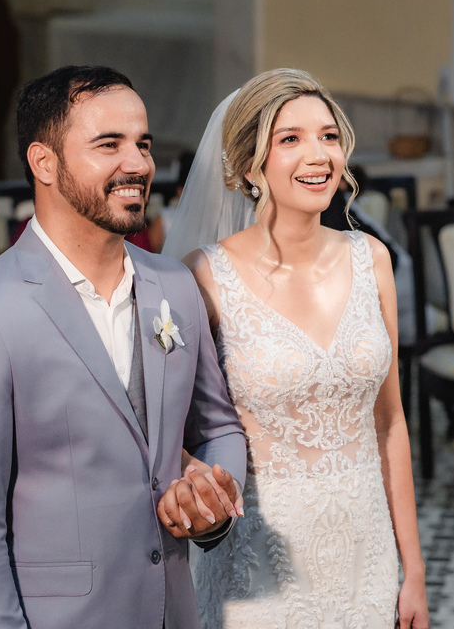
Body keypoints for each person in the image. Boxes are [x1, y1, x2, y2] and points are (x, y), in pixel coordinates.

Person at [0, 65, 248, 629]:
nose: (138, 164)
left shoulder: (174, 286)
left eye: (142, 144)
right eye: (109, 145)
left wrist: (211, 501)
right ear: (43, 162)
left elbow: (218, 429)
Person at [166, 69, 429, 629]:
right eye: (290, 139)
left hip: (367, 560)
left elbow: (390, 424)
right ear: (248, 167)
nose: (319, 155)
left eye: (329, 136)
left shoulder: (371, 259)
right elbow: (177, 431)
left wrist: (414, 570)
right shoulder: (204, 278)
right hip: (260, 570)